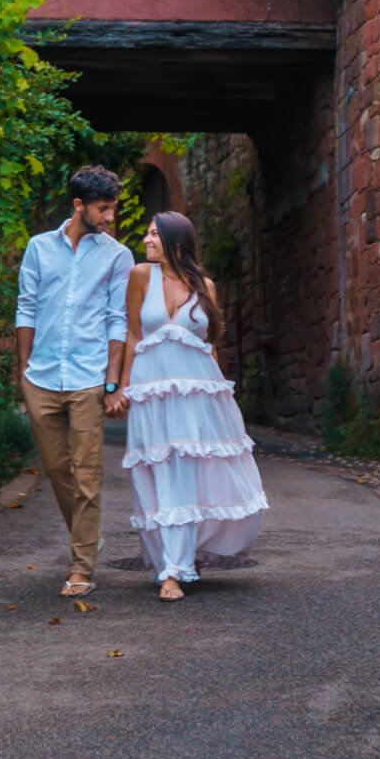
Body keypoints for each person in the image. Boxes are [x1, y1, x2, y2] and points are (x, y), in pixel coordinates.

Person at [116, 211, 268, 602]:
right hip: (151, 392)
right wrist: (119, 387)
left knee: (190, 473)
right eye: (147, 234)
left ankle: (176, 568)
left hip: (198, 392)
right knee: (156, 474)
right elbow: (133, 334)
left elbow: (209, 346)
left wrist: (221, 399)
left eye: (153, 235)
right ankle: (172, 560)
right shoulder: (139, 277)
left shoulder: (206, 287)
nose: (146, 241)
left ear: (176, 243)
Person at [15, 166, 133, 597]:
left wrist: (111, 381)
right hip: (42, 376)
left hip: (87, 376)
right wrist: (24, 369)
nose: (110, 218)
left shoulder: (118, 256)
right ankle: (88, 536)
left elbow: (117, 320)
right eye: (103, 209)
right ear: (79, 206)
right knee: (57, 468)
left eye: (112, 209)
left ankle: (81, 565)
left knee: (87, 474)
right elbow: (25, 307)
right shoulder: (38, 248)